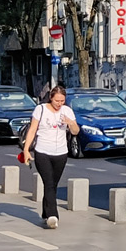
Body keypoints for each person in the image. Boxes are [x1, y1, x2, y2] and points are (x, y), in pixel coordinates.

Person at [21, 86, 80, 229]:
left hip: (61, 153)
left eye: (62, 101)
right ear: (51, 98)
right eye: (57, 100)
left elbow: (76, 131)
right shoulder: (41, 109)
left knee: (53, 184)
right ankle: (53, 215)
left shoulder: (67, 111)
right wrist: (26, 149)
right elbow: (32, 130)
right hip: (42, 151)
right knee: (48, 182)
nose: (59, 103)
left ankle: (45, 212)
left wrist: (70, 122)